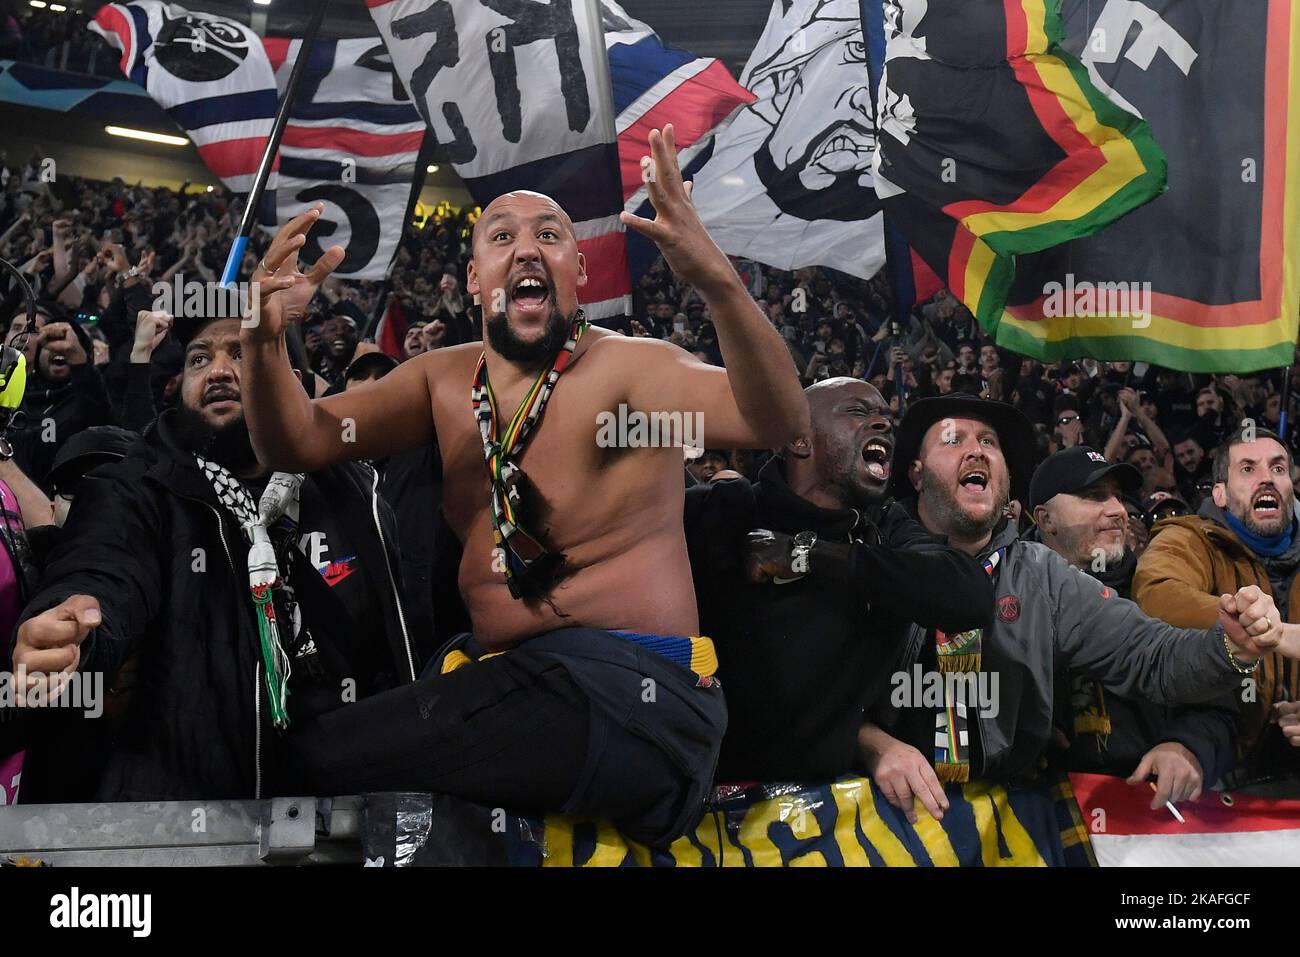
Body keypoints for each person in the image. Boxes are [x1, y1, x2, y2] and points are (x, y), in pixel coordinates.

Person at [232, 126, 808, 845]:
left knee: (324, 755)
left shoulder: (631, 374)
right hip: (516, 685)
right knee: (352, 765)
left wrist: (715, 278)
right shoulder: (443, 383)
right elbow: (300, 439)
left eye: (550, 234)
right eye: (501, 236)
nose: (527, 247)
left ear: (580, 275)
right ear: (475, 279)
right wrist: (259, 342)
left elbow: (780, 421)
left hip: (636, 694)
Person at [7, 310, 427, 802]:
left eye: (243, 355)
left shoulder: (358, 492)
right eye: (199, 359)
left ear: (293, 383)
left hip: (349, 812)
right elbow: (103, 566)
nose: (219, 370)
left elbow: (397, 641)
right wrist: (73, 621)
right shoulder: (138, 486)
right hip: (189, 813)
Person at [858, 395, 1294, 822]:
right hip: (880, 818)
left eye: (989, 442)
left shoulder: (1044, 577)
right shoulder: (866, 557)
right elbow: (799, 690)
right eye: (954, 440)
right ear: (916, 474)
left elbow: (1152, 655)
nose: (976, 449)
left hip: (1012, 824)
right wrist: (869, 741)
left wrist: (1229, 649)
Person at [685, 378, 993, 783]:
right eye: (859, 412)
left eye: (887, 417)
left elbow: (968, 595)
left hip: (838, 819)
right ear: (800, 441)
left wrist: (808, 554)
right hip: (718, 814)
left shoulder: (883, 525)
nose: (883, 424)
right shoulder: (729, 511)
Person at [1026, 446, 1236, 803]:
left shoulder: (1160, 592)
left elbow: (1221, 709)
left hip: (1147, 813)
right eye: (1094, 497)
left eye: (1118, 497)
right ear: (1046, 520)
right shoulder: (1006, 597)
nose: (1118, 511)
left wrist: (1187, 747)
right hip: (1038, 815)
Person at [1133, 428, 1300, 787]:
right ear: (1220, 494)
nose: (1266, 479)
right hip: (1225, 764)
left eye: (1278, 468)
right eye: (1248, 469)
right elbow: (1156, 593)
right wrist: (1256, 625)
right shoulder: (1189, 537)